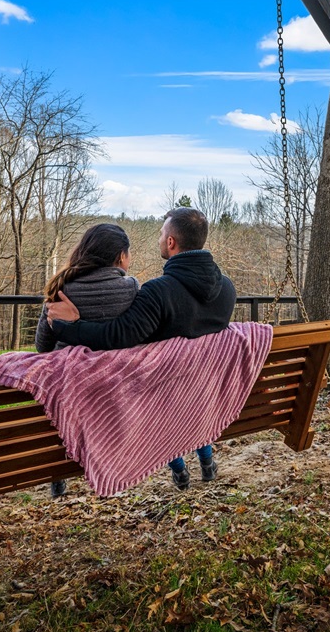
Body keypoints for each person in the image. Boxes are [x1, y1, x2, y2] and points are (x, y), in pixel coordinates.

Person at [46, 207, 236, 490]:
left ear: (171, 242)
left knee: (160, 405)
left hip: (163, 393)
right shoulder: (228, 289)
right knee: (182, 399)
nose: (159, 238)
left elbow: (118, 335)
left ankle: (181, 470)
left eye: (161, 234)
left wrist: (68, 326)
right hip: (203, 392)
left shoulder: (159, 292)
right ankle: (207, 461)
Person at [36, 222, 138, 496]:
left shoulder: (62, 287)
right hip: (113, 391)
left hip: (68, 391)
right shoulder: (130, 289)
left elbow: (42, 346)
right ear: (120, 257)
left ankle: (58, 475)